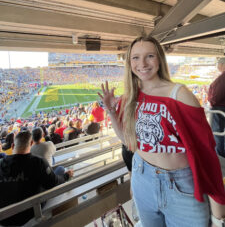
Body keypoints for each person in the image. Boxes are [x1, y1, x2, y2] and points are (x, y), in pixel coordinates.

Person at [98, 35, 225, 227]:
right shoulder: (130, 97)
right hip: (142, 178)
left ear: (159, 59)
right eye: (135, 57)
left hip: (180, 184)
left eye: (149, 56)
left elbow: (206, 155)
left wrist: (218, 215)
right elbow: (129, 142)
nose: (142, 63)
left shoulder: (181, 96)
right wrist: (111, 112)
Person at [0, 130, 73, 226]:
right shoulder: (38, 162)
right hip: (29, 213)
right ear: (31, 143)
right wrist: (66, 176)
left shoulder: (1, 163)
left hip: (3, 218)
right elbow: (52, 183)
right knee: (60, 169)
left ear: (13, 146)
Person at [208, 57, 225, 158]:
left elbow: (216, 97)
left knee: (218, 133)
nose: (217, 66)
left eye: (218, 64)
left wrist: (211, 100)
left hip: (219, 109)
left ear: (223, 65)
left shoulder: (222, 78)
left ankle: (219, 156)